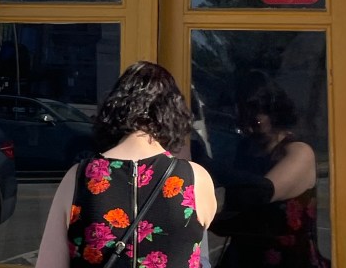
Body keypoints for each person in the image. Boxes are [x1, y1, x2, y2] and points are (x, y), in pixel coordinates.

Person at [37, 61, 217, 268]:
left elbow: (48, 264)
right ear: (173, 114)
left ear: (114, 109)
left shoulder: (78, 178)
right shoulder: (196, 179)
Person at [210, 74, 330, 268]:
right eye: (242, 121)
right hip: (243, 256)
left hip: (287, 259)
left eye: (255, 122)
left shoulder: (298, 152)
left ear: (273, 113)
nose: (248, 129)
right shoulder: (245, 149)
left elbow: (260, 193)